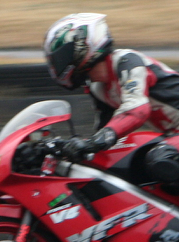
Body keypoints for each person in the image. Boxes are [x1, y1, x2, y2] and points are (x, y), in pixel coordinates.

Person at [44, 12, 179, 184]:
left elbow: (137, 110)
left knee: (161, 159)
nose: (57, 64)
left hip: (172, 136)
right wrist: (71, 147)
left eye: (60, 57)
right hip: (172, 134)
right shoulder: (98, 88)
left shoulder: (127, 61)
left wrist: (96, 142)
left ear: (83, 45)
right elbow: (104, 134)